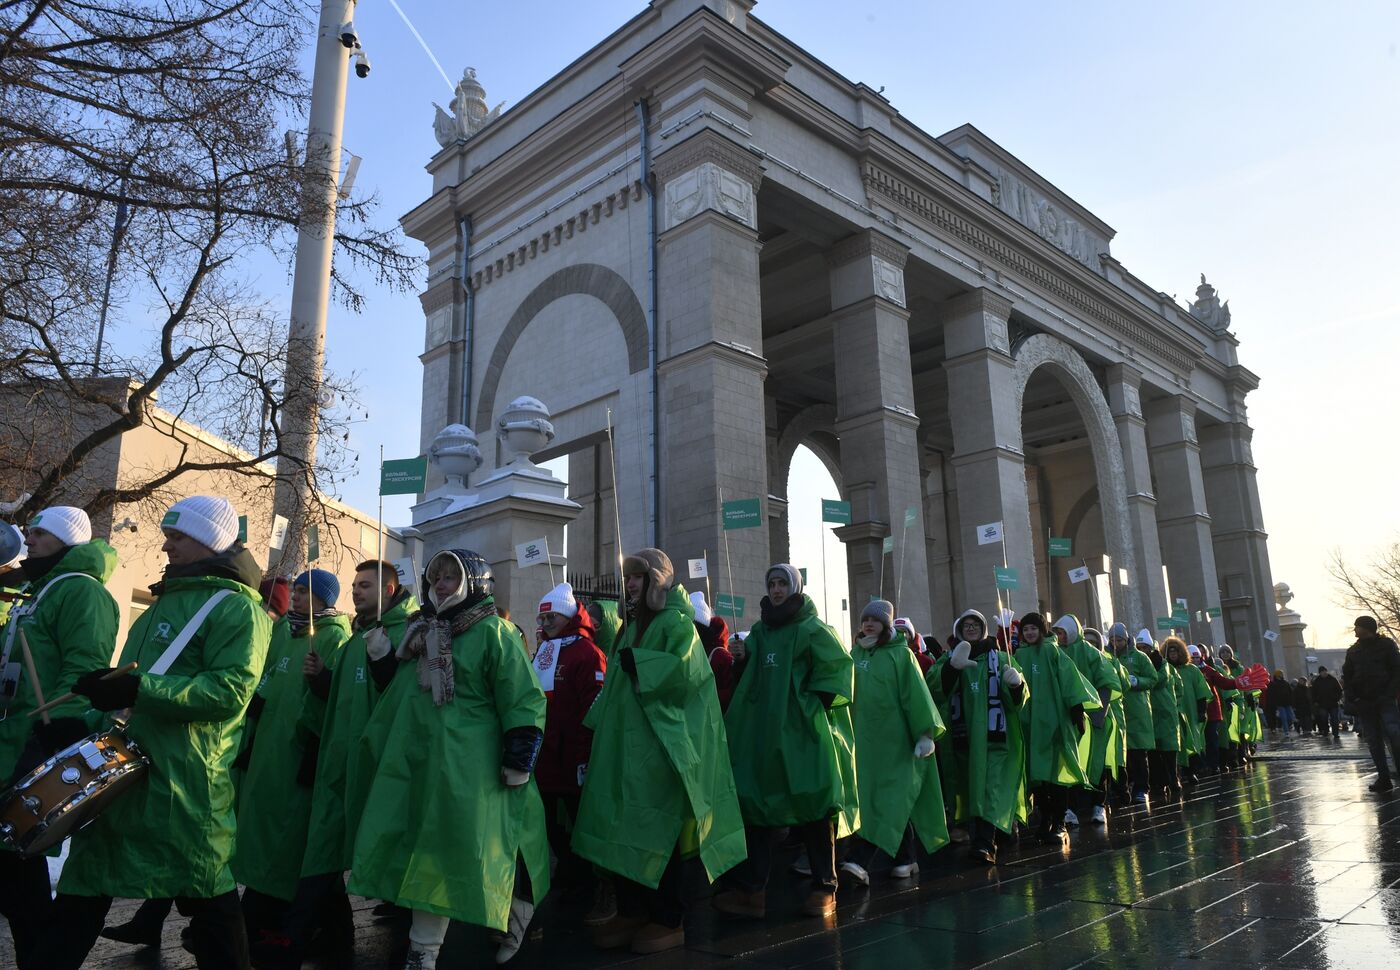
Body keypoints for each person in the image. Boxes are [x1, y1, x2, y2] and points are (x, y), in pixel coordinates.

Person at [35, 495, 271, 970]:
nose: (166, 546)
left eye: (178, 537)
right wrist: (89, 708)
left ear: (209, 541)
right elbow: (133, 693)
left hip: (184, 785)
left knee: (209, 902)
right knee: (84, 889)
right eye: (168, 535)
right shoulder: (161, 604)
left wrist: (139, 687)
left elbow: (228, 692)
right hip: (126, 775)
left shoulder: (239, 610)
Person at [348, 549, 549, 968]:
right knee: (431, 854)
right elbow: (402, 689)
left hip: (473, 769)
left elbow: (522, 697)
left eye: (450, 578)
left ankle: (517, 912)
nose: (440, 585)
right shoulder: (420, 630)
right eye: (435, 578)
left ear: (472, 583)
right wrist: (383, 654)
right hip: (423, 763)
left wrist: (519, 755)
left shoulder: (494, 633)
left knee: (484, 850)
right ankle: (424, 950)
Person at [572, 548, 744, 954]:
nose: (630, 583)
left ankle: (668, 918)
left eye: (638, 576)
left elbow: (688, 675)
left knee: (659, 833)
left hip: (658, 748)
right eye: (627, 576)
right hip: (624, 747)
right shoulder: (628, 627)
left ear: (657, 580)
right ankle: (633, 910)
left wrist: (644, 664)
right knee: (623, 827)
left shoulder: (675, 624)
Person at [270, 561, 420, 968]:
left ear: (389, 590)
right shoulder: (359, 636)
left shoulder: (407, 634)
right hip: (339, 762)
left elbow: (408, 701)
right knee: (322, 846)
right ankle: (295, 938)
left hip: (376, 766)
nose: (356, 592)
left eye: (366, 585)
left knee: (384, 849)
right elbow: (339, 699)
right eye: (354, 585)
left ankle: (413, 937)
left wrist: (385, 664)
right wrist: (321, 680)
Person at [0, 507, 119, 968]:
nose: (28, 536)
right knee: (14, 868)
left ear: (67, 539)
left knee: (17, 864)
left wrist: (61, 727)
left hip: (37, 738)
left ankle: (45, 956)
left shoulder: (81, 592)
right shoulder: (38, 591)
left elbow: (83, 668)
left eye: (41, 531)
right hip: (12, 734)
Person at [716, 563, 855, 920]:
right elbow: (753, 680)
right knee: (759, 809)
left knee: (813, 806)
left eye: (782, 584)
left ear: (795, 588)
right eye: (772, 584)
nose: (776, 590)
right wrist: (742, 661)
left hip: (801, 733)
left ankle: (825, 887)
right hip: (765, 734)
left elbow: (837, 669)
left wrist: (810, 710)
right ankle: (752, 891)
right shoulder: (760, 632)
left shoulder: (812, 628)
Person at [232, 568, 351, 957]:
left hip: (300, 754)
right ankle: (323, 930)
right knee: (267, 834)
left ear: (323, 600)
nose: (297, 597)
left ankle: (277, 922)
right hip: (270, 750)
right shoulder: (285, 630)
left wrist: (322, 682)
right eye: (296, 590)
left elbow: (337, 698)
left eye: (305, 592)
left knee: (291, 841)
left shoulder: (334, 637)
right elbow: (268, 676)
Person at [838, 600, 946, 882]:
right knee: (887, 800)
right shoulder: (854, 654)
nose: (869, 624)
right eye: (865, 620)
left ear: (886, 624)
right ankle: (907, 858)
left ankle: (858, 860)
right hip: (863, 743)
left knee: (887, 799)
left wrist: (925, 734)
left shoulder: (902, 656)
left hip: (895, 743)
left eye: (875, 620)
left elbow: (916, 695)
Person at [928, 610, 1029, 865]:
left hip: (995, 740)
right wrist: (951, 668)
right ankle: (990, 833)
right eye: (966, 625)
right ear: (958, 631)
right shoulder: (947, 660)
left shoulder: (1003, 658)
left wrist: (1017, 685)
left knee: (990, 788)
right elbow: (934, 691)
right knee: (971, 788)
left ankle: (984, 842)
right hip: (963, 741)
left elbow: (1018, 702)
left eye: (976, 624)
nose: (971, 628)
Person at [529, 582, 606, 901]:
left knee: (578, 819)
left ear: (568, 617)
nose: (545, 625)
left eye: (552, 620)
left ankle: (586, 877)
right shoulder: (546, 649)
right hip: (546, 754)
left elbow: (594, 705)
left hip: (572, 754)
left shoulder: (588, 652)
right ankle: (569, 867)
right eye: (542, 620)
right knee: (547, 819)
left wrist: (584, 754)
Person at [1013, 612, 1098, 843]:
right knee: (1037, 778)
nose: (1030, 633)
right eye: (1026, 629)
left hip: (1054, 725)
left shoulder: (1053, 652)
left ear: (1042, 631)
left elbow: (1070, 681)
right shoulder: (1018, 655)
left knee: (1056, 776)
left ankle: (1059, 821)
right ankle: (1046, 818)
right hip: (1030, 726)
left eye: (1034, 629)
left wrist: (1076, 712)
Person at [1055, 616, 1121, 826]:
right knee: (1072, 764)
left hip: (1093, 720)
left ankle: (1099, 805)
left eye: (1063, 632)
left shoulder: (1091, 653)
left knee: (1096, 764)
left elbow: (1106, 682)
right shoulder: (1056, 652)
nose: (1060, 637)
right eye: (1057, 633)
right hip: (1069, 719)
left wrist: (1098, 715)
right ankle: (1070, 809)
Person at [1341, 616, 1400, 793]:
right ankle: (1384, 777)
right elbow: (1348, 676)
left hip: (1384, 699)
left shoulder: (1386, 645)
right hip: (1365, 702)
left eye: (1357, 626)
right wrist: (1353, 697)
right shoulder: (1353, 651)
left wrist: (1389, 693)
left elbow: (1397, 669)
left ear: (1367, 628)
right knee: (1374, 741)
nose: (1354, 630)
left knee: (1394, 736)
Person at [1109, 625, 1157, 803]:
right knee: (1121, 754)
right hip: (1117, 709)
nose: (1116, 644)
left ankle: (1142, 788)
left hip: (1137, 710)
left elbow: (1153, 678)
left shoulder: (1140, 657)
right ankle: (1123, 787)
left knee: (1138, 753)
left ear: (1126, 639)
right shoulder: (1108, 656)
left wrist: (1137, 681)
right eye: (1113, 640)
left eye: (1119, 640)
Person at [1167, 640, 1211, 783]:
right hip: (1172, 713)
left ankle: (1191, 771)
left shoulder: (1192, 670)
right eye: (1170, 652)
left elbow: (1201, 691)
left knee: (1191, 741)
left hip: (1190, 711)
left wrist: (1202, 710)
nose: (1173, 655)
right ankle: (1178, 773)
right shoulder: (1165, 669)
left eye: (1175, 652)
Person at [691, 591, 736, 711]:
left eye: (690, 623)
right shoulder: (696, 651)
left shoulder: (720, 655)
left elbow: (734, 691)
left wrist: (706, 697)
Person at [1312, 666, 1343, 738]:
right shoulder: (1317, 681)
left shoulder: (1333, 679)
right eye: (1322, 672)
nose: (1324, 673)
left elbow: (1339, 690)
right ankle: (1326, 731)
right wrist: (1315, 701)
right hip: (1322, 703)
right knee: (1324, 718)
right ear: (1320, 673)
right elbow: (1313, 692)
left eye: (1325, 671)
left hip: (1333, 703)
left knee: (1335, 719)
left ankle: (1335, 733)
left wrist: (1337, 698)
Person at [1265, 670, 1295, 736]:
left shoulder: (1286, 683)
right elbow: (1272, 695)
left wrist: (1291, 702)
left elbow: (1290, 693)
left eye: (1281, 674)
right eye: (1280, 674)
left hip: (1287, 703)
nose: (1281, 675)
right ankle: (1286, 731)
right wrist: (1274, 704)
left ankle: (1289, 726)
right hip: (1280, 704)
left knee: (1290, 717)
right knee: (1284, 718)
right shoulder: (1273, 684)